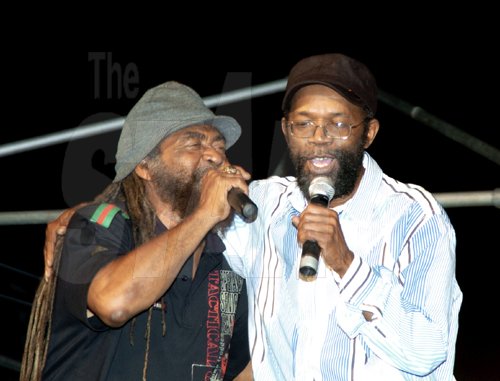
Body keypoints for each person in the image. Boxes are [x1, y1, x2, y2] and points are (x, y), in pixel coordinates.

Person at [42, 53, 463, 380]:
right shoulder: (260, 209)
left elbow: (429, 352)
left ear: (368, 133)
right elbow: (120, 291)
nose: (320, 137)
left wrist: (347, 266)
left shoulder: (415, 217)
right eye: (304, 123)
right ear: (286, 131)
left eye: (338, 124)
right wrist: (88, 213)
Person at [21, 81, 253, 381]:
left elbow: (244, 370)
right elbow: (113, 303)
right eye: (193, 143)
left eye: (219, 145)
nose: (215, 156)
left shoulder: (229, 259)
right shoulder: (93, 226)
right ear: (145, 165)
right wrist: (204, 215)